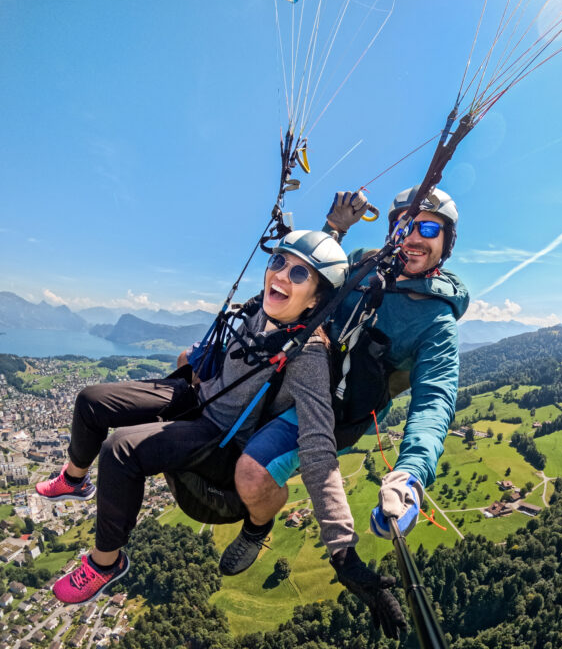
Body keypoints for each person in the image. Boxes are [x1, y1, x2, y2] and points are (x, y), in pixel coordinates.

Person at [36, 231, 405, 636]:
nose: (280, 274)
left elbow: (318, 448)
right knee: (91, 400)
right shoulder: (261, 310)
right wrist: (333, 226)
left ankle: (105, 563)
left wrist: (343, 554)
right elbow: (294, 280)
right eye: (278, 262)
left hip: (219, 434)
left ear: (316, 300)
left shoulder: (309, 355)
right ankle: (74, 480)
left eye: (299, 273)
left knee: (120, 450)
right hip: (197, 394)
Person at [223, 186, 468, 573]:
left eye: (430, 229)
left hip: (336, 409)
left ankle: (256, 529)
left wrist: (409, 476)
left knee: (253, 475)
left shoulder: (436, 321)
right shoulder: (362, 264)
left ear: (446, 243)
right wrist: (333, 229)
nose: (416, 237)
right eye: (407, 225)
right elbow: (311, 283)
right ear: (392, 231)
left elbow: (434, 400)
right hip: (293, 372)